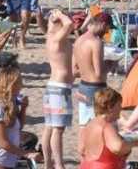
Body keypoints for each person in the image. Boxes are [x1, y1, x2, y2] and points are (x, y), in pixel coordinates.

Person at [0, 65, 39, 168]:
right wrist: (26, 154)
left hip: (3, 162)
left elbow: (18, 127)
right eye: (19, 81)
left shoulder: (10, 104)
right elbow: (2, 141)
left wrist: (23, 108)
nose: (22, 85)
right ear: (12, 84)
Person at [42, 10, 76, 169]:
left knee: (49, 127)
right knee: (58, 129)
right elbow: (69, 24)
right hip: (59, 88)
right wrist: (60, 15)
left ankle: (48, 163)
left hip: (53, 87)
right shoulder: (57, 37)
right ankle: (59, 165)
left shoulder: (51, 37)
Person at [78, 88, 138, 169]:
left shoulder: (89, 124)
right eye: (119, 105)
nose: (120, 108)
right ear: (110, 107)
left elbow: (81, 149)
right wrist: (134, 143)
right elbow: (118, 147)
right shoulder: (106, 126)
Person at [73, 9, 108, 126]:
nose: (107, 31)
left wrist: (86, 69)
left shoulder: (78, 41)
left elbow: (74, 71)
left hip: (83, 86)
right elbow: (98, 74)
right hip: (96, 88)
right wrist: (110, 65)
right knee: (99, 126)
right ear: (103, 24)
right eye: (107, 27)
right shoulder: (96, 42)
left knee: (84, 126)